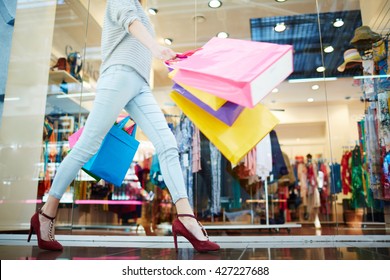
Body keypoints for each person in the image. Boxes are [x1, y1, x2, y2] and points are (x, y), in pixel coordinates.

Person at [27, 0, 219, 253]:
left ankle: (186, 218)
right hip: (118, 74)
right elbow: (130, 21)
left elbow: (136, 28)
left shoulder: (141, 7)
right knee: (87, 145)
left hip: (139, 83)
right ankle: (46, 212)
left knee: (168, 144)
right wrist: (156, 48)